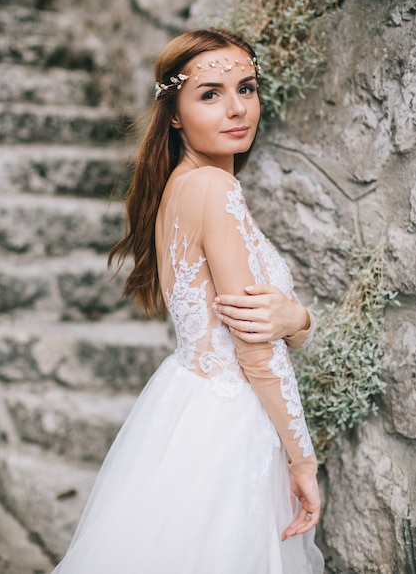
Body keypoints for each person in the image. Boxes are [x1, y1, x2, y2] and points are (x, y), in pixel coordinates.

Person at [52, 28, 324, 573]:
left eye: (246, 88)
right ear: (174, 114)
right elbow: (253, 346)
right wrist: (303, 460)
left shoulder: (181, 184)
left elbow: (261, 319)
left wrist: (297, 320)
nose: (236, 108)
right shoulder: (214, 189)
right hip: (228, 421)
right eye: (209, 94)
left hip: (189, 403)